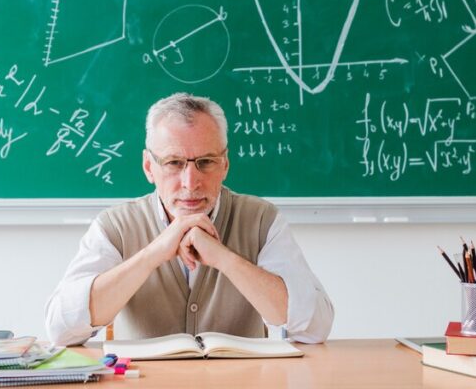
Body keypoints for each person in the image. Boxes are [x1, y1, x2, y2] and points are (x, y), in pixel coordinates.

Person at [45, 93, 333, 345]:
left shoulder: (262, 220)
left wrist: (224, 258)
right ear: (149, 166)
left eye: (206, 162)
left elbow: (314, 328)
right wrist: (154, 254)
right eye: (173, 163)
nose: (190, 182)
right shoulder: (115, 226)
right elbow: (61, 329)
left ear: (225, 165)